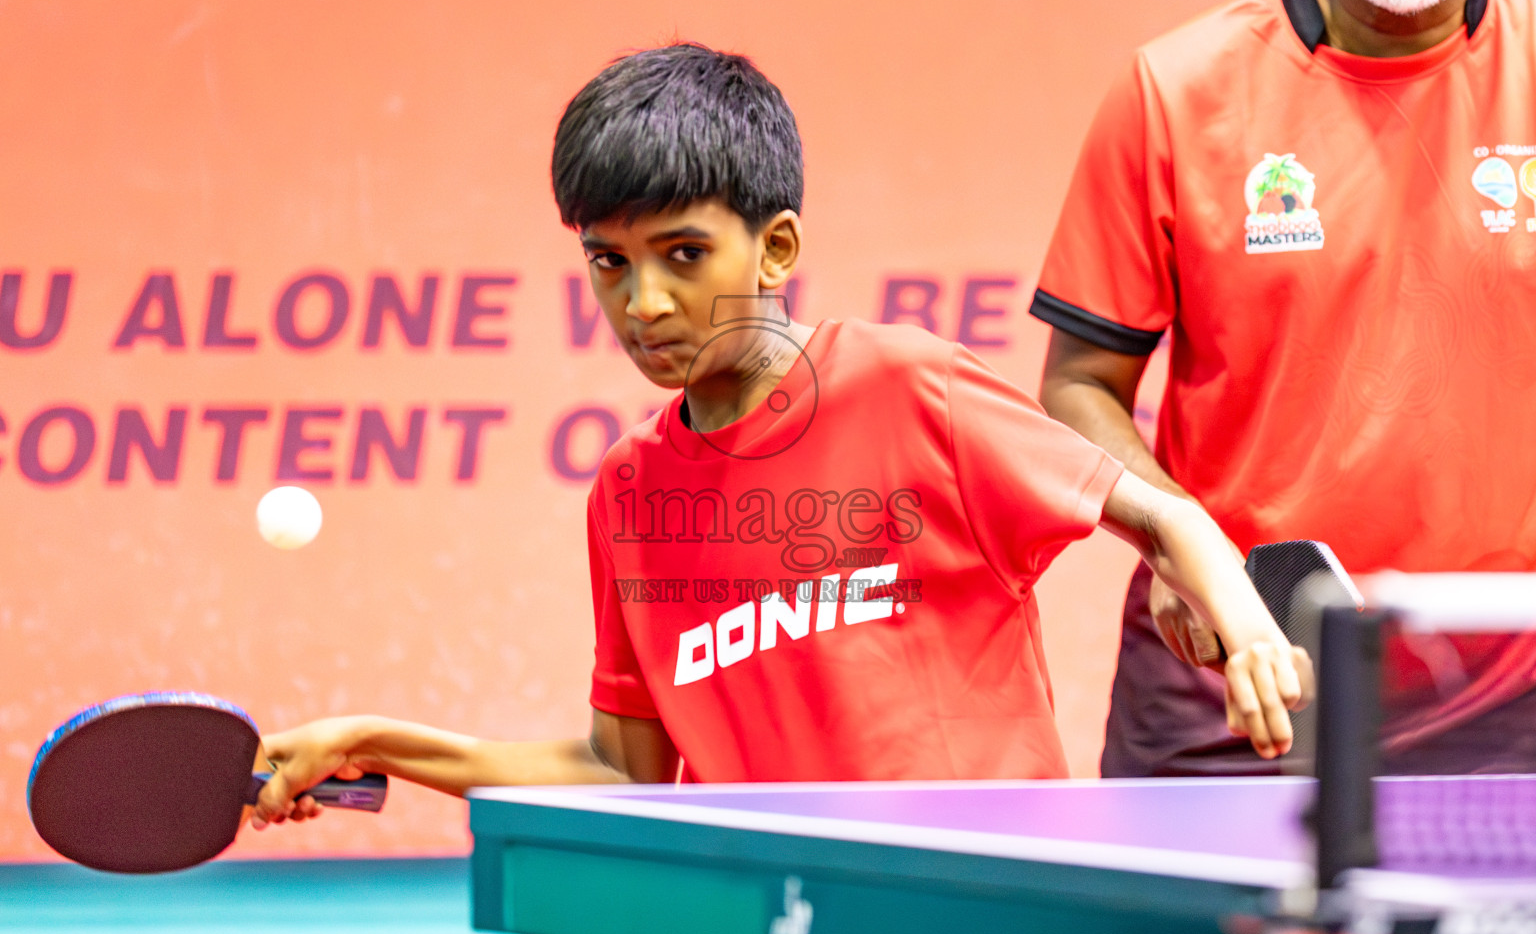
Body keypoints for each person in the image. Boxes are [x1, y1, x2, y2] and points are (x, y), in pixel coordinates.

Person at [253, 44, 1309, 824]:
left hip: (965, 905)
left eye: (682, 254)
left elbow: (1163, 517)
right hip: (761, 918)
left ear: (776, 246)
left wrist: (1251, 627)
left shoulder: (908, 388)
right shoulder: (628, 489)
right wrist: (373, 738)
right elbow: (623, 769)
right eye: (610, 263)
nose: (645, 303)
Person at [1031, 0, 1536, 777]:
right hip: (1237, 679)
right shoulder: (1175, 90)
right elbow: (1079, 383)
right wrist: (1176, 541)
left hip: (1507, 696)